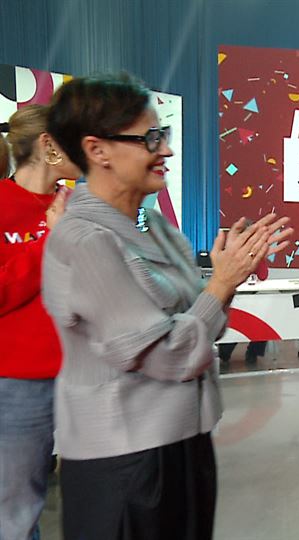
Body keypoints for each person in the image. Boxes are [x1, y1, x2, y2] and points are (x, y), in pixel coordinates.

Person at [42, 74, 292, 540]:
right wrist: (221, 282)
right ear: (97, 150)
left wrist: (224, 282)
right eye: (150, 139)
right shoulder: (83, 240)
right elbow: (169, 355)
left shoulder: (156, 227)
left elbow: (202, 324)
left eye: (165, 135)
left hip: (185, 444)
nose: (167, 150)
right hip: (123, 459)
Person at [0, 105, 79, 540]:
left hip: (87, 375)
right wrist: (50, 241)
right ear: (48, 145)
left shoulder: (80, 205)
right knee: (16, 510)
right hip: (18, 383)